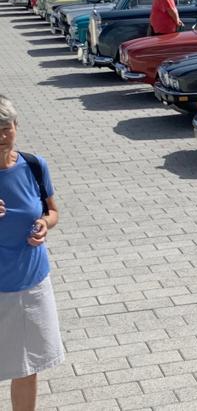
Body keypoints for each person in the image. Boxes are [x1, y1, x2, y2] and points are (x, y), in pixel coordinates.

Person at [0, 96, 64, 411]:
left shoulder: (34, 165)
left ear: (15, 127)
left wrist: (44, 223)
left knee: (27, 365)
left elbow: (52, 211)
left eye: (5, 128)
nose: (0, 136)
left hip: (33, 284)